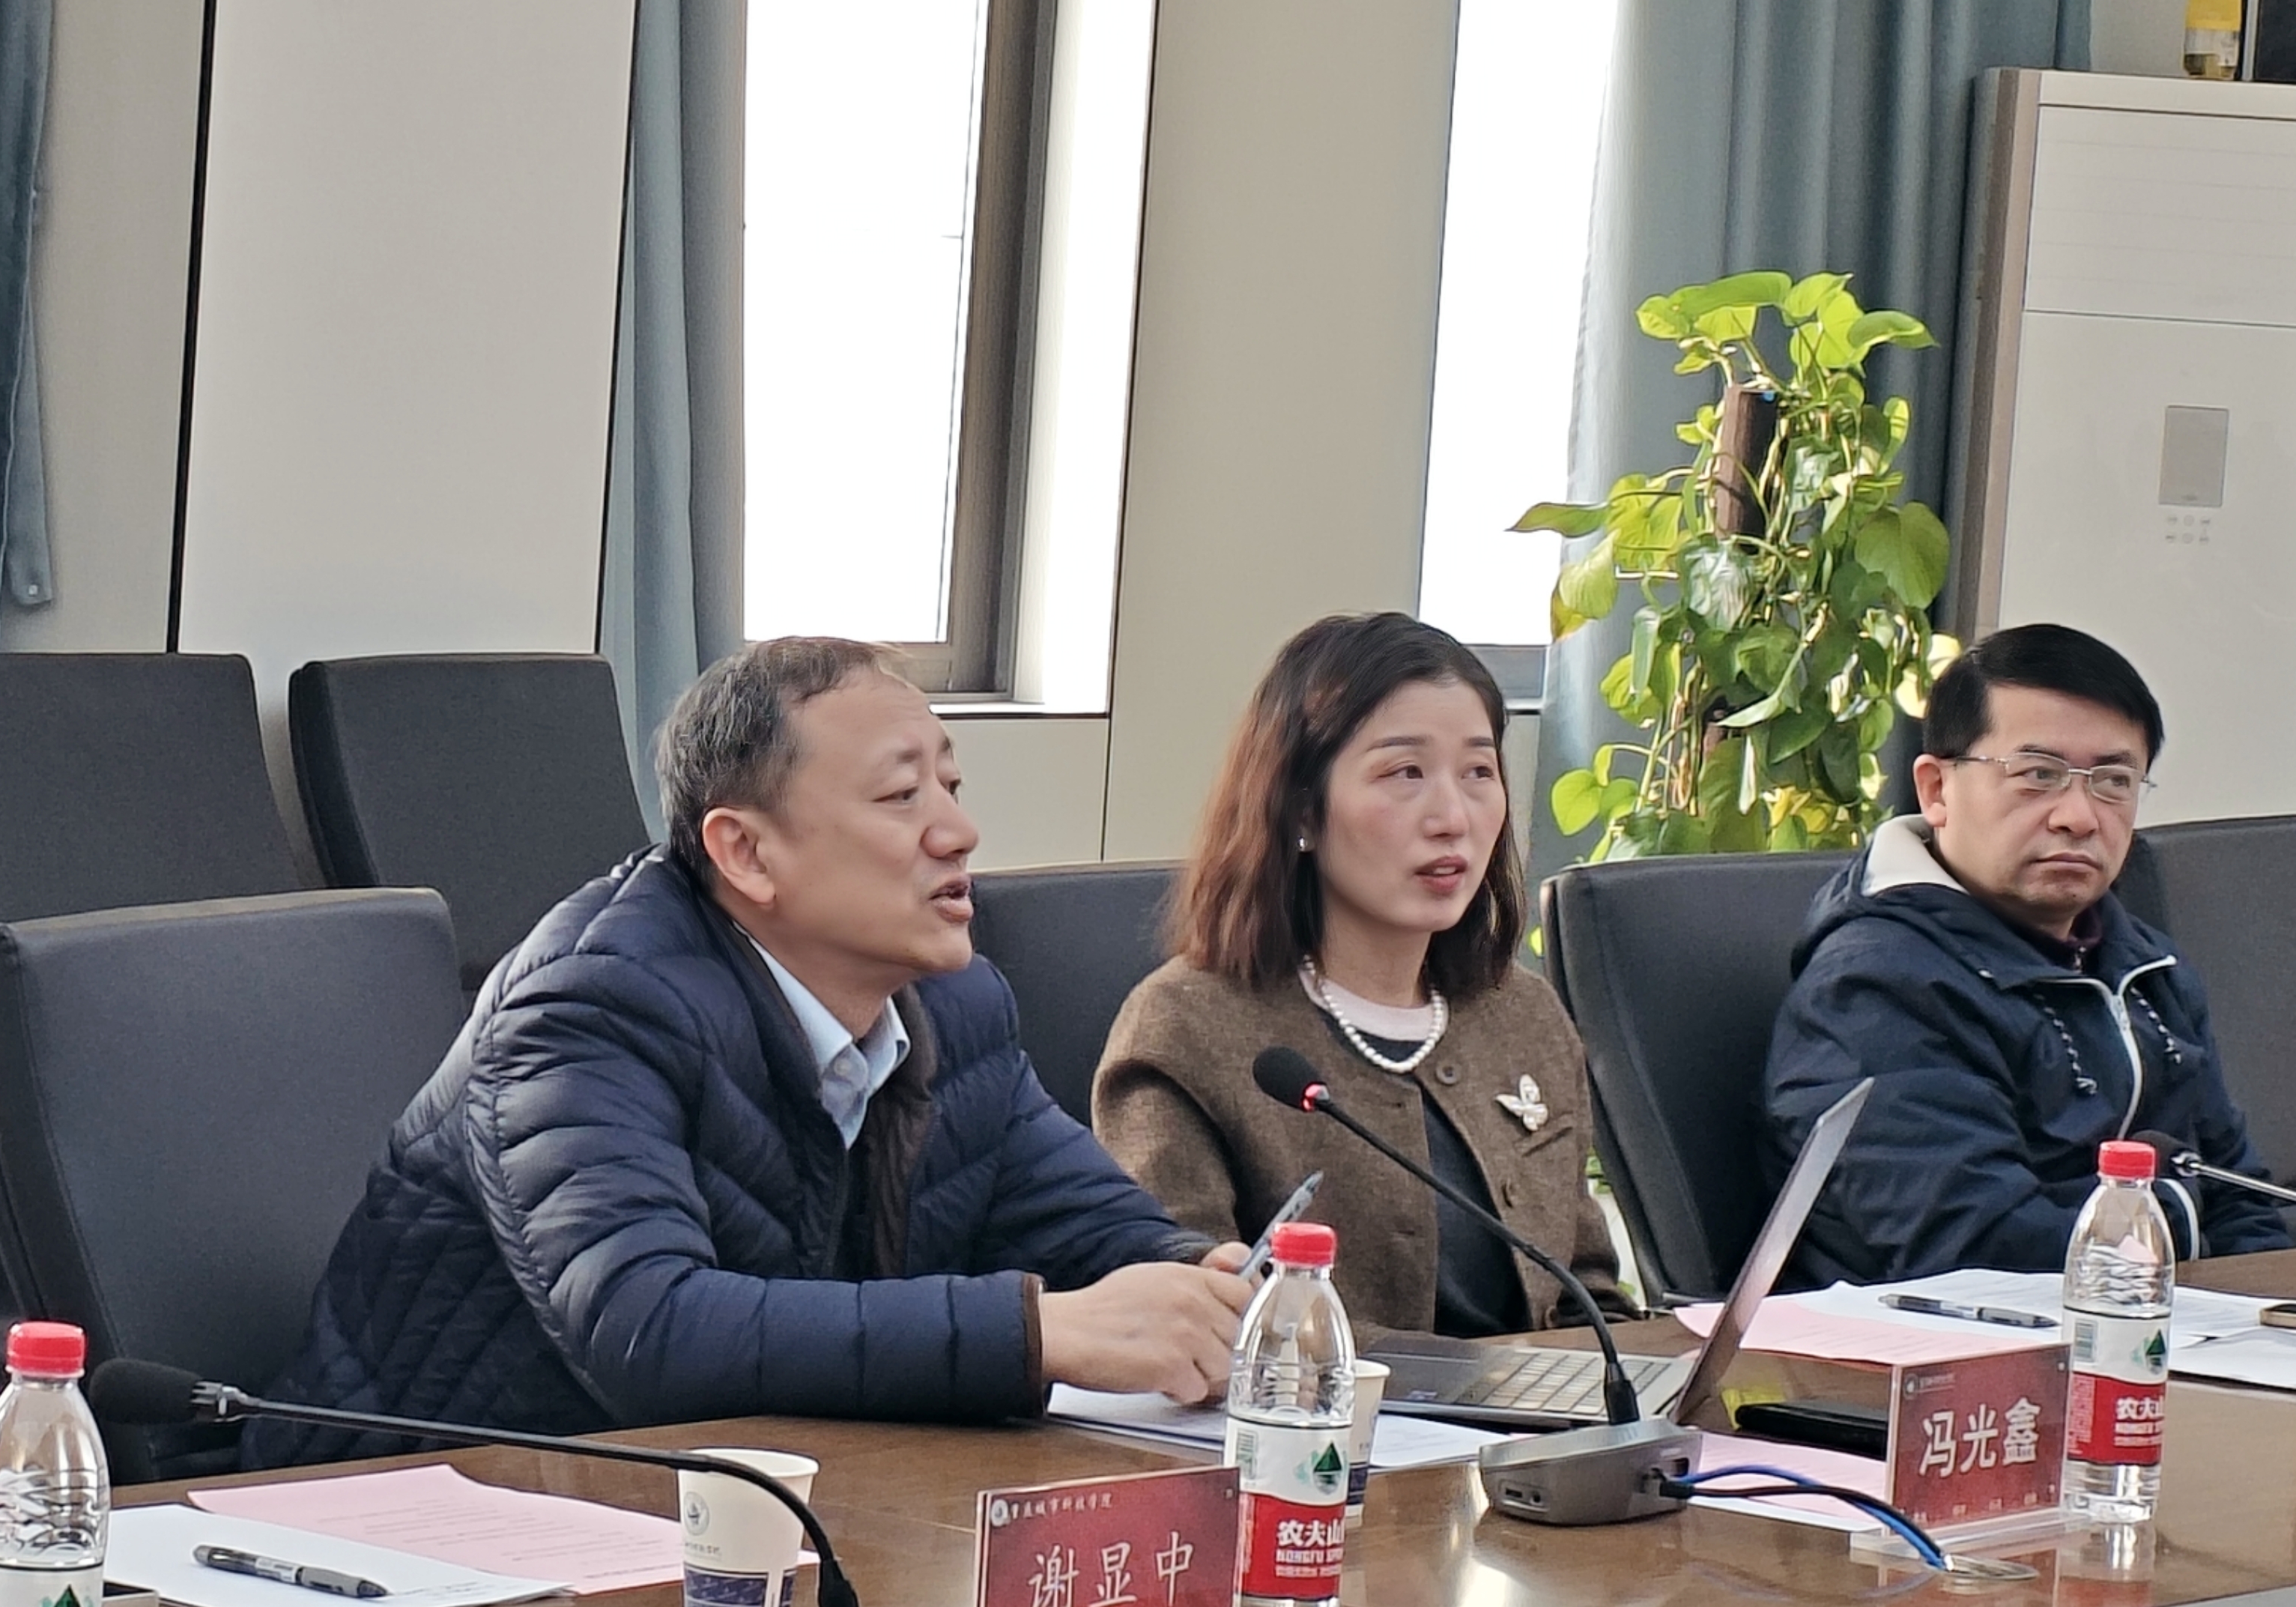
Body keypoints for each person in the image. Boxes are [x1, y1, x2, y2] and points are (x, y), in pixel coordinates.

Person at [253, 638, 1256, 1465]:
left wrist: (1198, 1284)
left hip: (731, 1508)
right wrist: (1038, 1334)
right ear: (745, 851)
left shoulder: (956, 1005)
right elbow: (651, 1331)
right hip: (416, 1519)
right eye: (902, 797)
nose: (959, 832)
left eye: (951, 786)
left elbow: (1081, 1222)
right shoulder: (589, 1006)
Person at [1096, 614, 1629, 1340]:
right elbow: (1194, 1317)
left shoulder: (1522, 1014)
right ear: (1301, 809)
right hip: (1316, 1409)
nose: (1452, 817)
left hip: (1535, 1413)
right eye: (1405, 773)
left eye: (1479, 772)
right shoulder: (1185, 1029)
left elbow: (1588, 1297)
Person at [1766, 623, 2286, 1282]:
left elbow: (2243, 1199)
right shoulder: (1878, 983)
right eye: (2039, 775)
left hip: (2152, 1325)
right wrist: (2180, 1214)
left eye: (2113, 781)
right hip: (1944, 1339)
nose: (2080, 817)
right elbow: (1980, 1248)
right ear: (1936, 790)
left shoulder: (2147, 967)